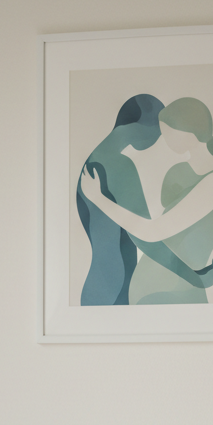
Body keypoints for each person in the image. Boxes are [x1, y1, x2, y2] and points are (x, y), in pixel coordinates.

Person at [80, 97, 213, 305]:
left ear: (189, 131)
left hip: (175, 293)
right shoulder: (182, 172)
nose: (163, 136)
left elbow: (151, 232)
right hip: (159, 289)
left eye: (168, 131)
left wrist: (98, 198)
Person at [76, 93, 163, 306]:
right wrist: (192, 273)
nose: (160, 135)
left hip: (99, 286)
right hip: (117, 287)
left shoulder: (92, 161)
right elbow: (146, 234)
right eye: (157, 127)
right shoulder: (119, 165)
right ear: (134, 126)